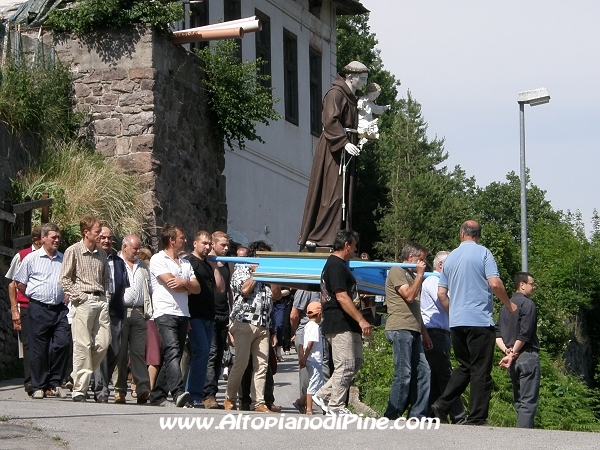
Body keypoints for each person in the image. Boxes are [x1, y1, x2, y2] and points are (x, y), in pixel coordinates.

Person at [431, 220, 517, 425]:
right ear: (478, 235)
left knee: (465, 366)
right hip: (479, 320)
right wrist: (508, 305)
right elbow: (495, 283)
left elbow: (441, 293)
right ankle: (477, 416)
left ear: (462, 233)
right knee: (480, 369)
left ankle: (441, 405)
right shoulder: (484, 253)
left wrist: (455, 313)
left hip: (457, 322)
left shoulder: (450, 259)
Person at [298, 61, 369, 248]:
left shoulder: (351, 97)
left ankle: (338, 234)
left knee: (344, 193)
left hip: (346, 149)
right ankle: (321, 236)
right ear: (350, 77)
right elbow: (330, 121)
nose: (364, 82)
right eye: (361, 79)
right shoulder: (336, 94)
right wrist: (344, 142)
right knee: (333, 193)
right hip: (334, 150)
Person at [312, 230, 371, 416]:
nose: (354, 250)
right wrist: (362, 320)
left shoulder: (342, 265)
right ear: (346, 245)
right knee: (345, 364)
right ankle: (336, 406)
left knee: (356, 362)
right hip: (338, 322)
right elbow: (341, 296)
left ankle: (322, 394)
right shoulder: (335, 265)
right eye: (353, 246)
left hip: (349, 322)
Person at [14, 223, 70, 399]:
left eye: (58, 237)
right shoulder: (31, 259)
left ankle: (55, 382)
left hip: (59, 309)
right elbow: (19, 283)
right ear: (43, 238)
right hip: (38, 308)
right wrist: (33, 295)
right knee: (39, 348)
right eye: (53, 237)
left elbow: (70, 280)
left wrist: (66, 294)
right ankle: (38, 385)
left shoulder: (64, 258)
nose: (56, 240)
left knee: (63, 343)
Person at [225, 240, 282, 412]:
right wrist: (255, 274)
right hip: (244, 322)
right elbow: (244, 290)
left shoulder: (269, 271)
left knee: (262, 365)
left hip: (263, 324)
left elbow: (277, 296)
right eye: (263, 255)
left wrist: (272, 278)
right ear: (255, 255)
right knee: (241, 363)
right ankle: (229, 397)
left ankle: (259, 403)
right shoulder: (241, 269)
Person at [59, 216, 111, 402]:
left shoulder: (102, 254)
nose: (100, 235)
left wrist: (107, 296)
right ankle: (79, 390)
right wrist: (79, 296)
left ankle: (77, 375)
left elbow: (106, 278)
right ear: (86, 232)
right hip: (83, 300)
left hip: (101, 300)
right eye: (97, 231)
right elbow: (64, 279)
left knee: (104, 343)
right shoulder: (73, 251)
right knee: (82, 345)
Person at [149, 223, 200, 407]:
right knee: (172, 350)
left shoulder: (185, 263)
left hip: (182, 313)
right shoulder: (158, 259)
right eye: (182, 238)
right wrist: (186, 284)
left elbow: (197, 288)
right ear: (171, 240)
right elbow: (171, 283)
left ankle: (157, 395)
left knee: (174, 354)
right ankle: (178, 391)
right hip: (165, 312)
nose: (185, 241)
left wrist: (184, 281)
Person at [383, 243, 432, 420]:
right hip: (400, 328)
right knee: (403, 372)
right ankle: (392, 414)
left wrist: (424, 333)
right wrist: (419, 275)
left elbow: (416, 308)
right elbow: (409, 296)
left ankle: (417, 414)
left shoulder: (411, 276)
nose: (424, 264)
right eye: (422, 260)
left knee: (424, 371)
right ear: (411, 258)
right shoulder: (398, 270)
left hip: (414, 330)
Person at [420, 251, 466, 423]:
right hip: (435, 332)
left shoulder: (442, 282)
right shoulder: (434, 281)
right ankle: (458, 415)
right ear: (441, 265)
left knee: (436, 375)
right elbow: (443, 300)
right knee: (445, 375)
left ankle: (431, 415)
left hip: (442, 333)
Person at [495, 272, 540, 428]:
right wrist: (514, 352)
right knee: (528, 401)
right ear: (522, 284)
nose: (534, 287)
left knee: (518, 400)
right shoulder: (528, 305)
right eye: (532, 284)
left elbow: (497, 334)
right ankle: (524, 438)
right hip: (527, 355)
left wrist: (507, 351)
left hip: (512, 359)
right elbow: (525, 333)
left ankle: (518, 436)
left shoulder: (504, 307)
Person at [186, 230, 223, 408]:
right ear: (195, 243)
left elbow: (220, 288)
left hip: (209, 316)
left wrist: (214, 267)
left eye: (209, 244)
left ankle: (195, 393)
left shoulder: (208, 264)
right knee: (200, 352)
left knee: (206, 354)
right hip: (194, 315)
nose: (208, 247)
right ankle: (193, 393)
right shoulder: (189, 262)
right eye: (204, 243)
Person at [92, 226, 129, 403]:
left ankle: (101, 383)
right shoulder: (92, 258)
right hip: (97, 309)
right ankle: (101, 389)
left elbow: (123, 287)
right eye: (103, 237)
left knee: (115, 350)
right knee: (101, 348)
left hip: (115, 311)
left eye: (110, 238)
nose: (107, 241)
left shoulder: (119, 262)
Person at [113, 235, 151, 404]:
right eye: (135, 248)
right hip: (121, 311)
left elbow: (149, 288)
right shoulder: (115, 262)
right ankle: (119, 390)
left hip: (139, 312)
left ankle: (142, 389)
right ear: (125, 247)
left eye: (139, 248)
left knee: (138, 352)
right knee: (120, 353)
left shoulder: (142, 266)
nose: (138, 251)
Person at [5, 226, 42, 396]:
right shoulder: (22, 256)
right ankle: (30, 381)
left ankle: (44, 380)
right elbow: (12, 284)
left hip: (47, 307)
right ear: (36, 240)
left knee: (47, 344)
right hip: (26, 305)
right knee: (28, 344)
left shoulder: (55, 257)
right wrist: (14, 311)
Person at [203, 231, 233, 409]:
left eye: (227, 245)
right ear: (213, 244)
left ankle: (211, 392)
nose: (226, 248)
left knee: (220, 355)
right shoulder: (207, 262)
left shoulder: (227, 264)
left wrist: (231, 312)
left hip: (224, 314)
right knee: (212, 354)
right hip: (209, 313)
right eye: (223, 245)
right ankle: (208, 395)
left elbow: (228, 290)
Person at [290, 289, 321, 413]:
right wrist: (296, 333)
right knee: (309, 377)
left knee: (316, 378)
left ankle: (305, 402)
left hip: (310, 338)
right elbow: (294, 315)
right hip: (305, 335)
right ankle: (306, 406)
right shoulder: (306, 289)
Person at [298, 301, 324, 415]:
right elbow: (310, 343)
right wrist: (304, 357)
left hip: (309, 359)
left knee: (316, 383)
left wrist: (302, 357)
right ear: (319, 314)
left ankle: (301, 401)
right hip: (314, 359)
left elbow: (300, 344)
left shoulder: (306, 326)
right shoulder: (314, 327)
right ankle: (308, 408)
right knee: (314, 384)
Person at [357, 83, 390, 147]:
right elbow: (359, 106)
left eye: (376, 97)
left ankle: (367, 136)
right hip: (362, 121)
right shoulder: (362, 100)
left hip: (369, 121)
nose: (375, 98)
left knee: (374, 127)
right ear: (369, 92)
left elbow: (376, 109)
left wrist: (384, 107)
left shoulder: (371, 104)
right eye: (374, 95)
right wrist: (362, 104)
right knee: (367, 127)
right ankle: (363, 137)